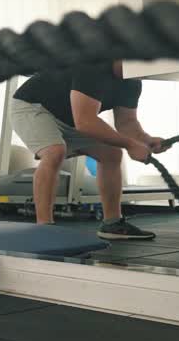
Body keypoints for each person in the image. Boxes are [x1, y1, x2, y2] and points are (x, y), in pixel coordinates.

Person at [9, 60, 169, 240]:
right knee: (55, 151)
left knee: (112, 153)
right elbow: (85, 122)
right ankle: (44, 227)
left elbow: (127, 123)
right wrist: (131, 145)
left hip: (71, 119)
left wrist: (147, 140)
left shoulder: (132, 80)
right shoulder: (93, 64)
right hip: (32, 106)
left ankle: (112, 223)